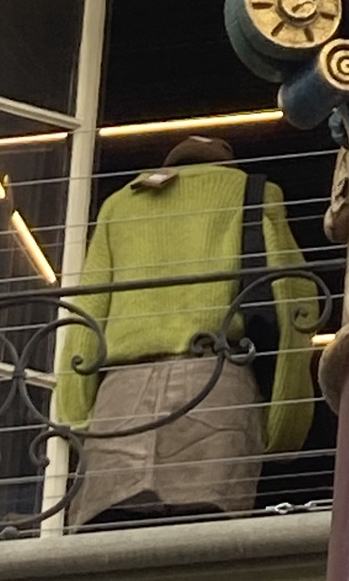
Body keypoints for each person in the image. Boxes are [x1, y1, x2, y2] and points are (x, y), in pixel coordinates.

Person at [55, 136, 315, 529]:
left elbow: (88, 312)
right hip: (215, 386)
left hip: (122, 398)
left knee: (112, 539)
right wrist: (285, 422)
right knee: (208, 538)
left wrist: (76, 414)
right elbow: (291, 298)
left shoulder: (119, 205)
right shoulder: (253, 193)